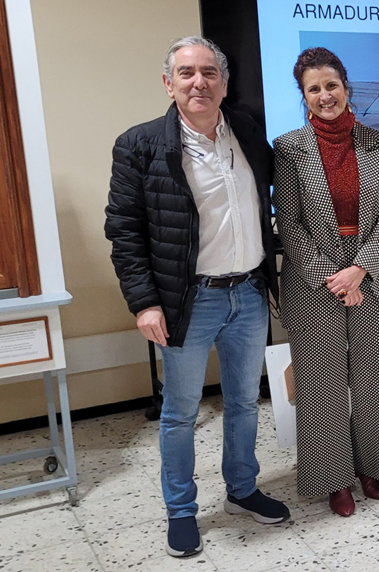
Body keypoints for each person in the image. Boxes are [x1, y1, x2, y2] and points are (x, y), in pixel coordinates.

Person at [104, 36, 289, 559]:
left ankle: (242, 489)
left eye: (209, 73)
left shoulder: (247, 132)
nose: (198, 82)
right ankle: (181, 510)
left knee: (244, 403)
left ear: (224, 84)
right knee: (180, 412)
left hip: (248, 294)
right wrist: (144, 303)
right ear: (169, 84)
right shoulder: (139, 145)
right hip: (187, 300)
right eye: (186, 73)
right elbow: (124, 231)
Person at [273, 47, 379, 517]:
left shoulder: (377, 143)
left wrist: (360, 270)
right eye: (314, 89)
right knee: (322, 385)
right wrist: (333, 278)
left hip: (372, 274)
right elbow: (289, 224)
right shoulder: (289, 148)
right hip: (314, 281)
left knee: (372, 381)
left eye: (331, 85)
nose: (324, 95)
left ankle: (374, 466)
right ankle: (333, 478)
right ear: (304, 95)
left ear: (346, 88)